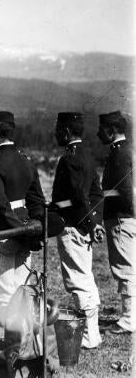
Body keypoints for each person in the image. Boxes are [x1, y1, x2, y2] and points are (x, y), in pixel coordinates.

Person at [0, 111, 45, 308]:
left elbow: (1, 206)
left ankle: (14, 338)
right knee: (23, 292)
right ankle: (24, 338)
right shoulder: (26, 161)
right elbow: (37, 201)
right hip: (24, 234)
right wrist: (31, 232)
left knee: (3, 299)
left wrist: (20, 231)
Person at [51, 112, 103, 348]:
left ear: (66, 132)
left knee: (78, 281)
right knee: (86, 279)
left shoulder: (69, 159)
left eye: (58, 129)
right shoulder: (88, 156)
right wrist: (95, 223)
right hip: (84, 226)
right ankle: (93, 332)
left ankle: (89, 336)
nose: (55, 134)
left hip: (72, 227)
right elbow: (96, 195)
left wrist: (90, 225)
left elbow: (79, 197)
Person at [97, 110, 134, 334]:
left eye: (101, 129)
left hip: (121, 218)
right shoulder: (123, 151)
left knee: (124, 268)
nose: (98, 133)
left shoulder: (119, 155)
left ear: (111, 131)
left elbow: (124, 191)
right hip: (123, 217)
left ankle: (130, 318)